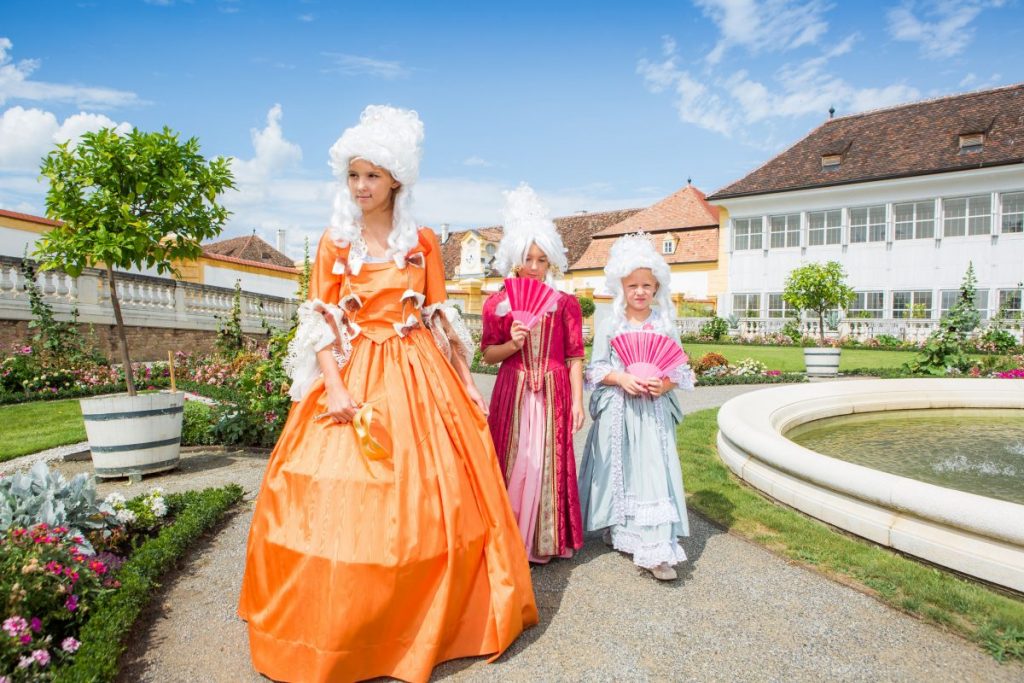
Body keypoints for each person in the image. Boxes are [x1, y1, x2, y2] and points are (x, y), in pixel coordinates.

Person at [238, 105, 538, 683]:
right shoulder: (334, 241)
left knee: (431, 497)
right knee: (341, 500)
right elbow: (319, 323)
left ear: (396, 179)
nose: (360, 187)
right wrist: (337, 387)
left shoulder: (422, 241)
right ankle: (344, 630)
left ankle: (420, 622)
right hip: (354, 372)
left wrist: (468, 389)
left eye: (372, 176)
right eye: (353, 175)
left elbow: (440, 318)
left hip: (417, 371)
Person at [577, 232, 695, 581]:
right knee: (622, 468)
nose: (640, 292)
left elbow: (678, 369)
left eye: (646, 285)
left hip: (653, 411)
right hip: (620, 409)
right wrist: (621, 378)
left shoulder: (664, 326)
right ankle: (623, 528)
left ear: (656, 287)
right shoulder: (610, 325)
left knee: (653, 471)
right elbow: (596, 368)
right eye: (633, 286)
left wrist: (665, 384)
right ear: (621, 288)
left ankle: (656, 546)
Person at [480, 184, 585, 564]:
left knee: (546, 461)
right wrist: (512, 342)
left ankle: (544, 540)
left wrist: (577, 401)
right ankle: (508, 537)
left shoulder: (565, 304)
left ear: (551, 261)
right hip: (514, 388)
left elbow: (575, 356)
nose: (536, 267)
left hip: (554, 390)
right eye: (529, 258)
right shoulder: (498, 304)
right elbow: (489, 356)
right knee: (516, 459)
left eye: (542, 259)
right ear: (516, 260)